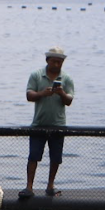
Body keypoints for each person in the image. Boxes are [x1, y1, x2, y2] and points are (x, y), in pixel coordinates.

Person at [22, 47, 74, 199]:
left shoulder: (67, 78)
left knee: (56, 157)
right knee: (33, 156)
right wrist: (42, 93)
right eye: (54, 61)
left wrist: (61, 93)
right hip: (38, 124)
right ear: (47, 61)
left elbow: (69, 100)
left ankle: (50, 185)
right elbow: (29, 95)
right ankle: (29, 187)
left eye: (59, 62)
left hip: (58, 124)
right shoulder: (36, 75)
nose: (57, 65)